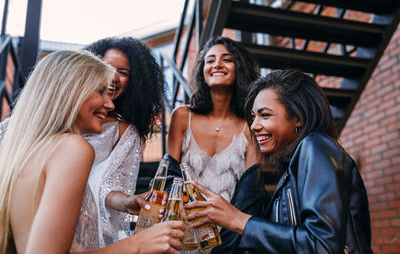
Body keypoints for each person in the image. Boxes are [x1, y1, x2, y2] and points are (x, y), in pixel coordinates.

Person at [0, 50, 184, 253]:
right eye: (100, 91)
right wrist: (139, 244)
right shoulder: (72, 147)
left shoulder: (24, 148)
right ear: (68, 91)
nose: (110, 104)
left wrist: (125, 201)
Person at [184, 69, 373, 254]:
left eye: (265, 115)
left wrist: (238, 220)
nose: (255, 126)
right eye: (253, 116)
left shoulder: (315, 146)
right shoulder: (292, 167)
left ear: (298, 117)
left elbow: (322, 246)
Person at [82, 37, 165, 245]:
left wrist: (129, 201)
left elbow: (107, 186)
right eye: (107, 67)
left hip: (84, 225)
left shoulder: (125, 132)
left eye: (124, 72)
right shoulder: (59, 117)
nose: (114, 76)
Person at [167, 36, 261, 203]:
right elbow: (168, 178)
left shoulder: (250, 126)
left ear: (239, 68)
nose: (217, 64)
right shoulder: (182, 116)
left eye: (227, 60)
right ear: (203, 70)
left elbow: (250, 193)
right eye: (210, 61)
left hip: (228, 226)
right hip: (181, 222)